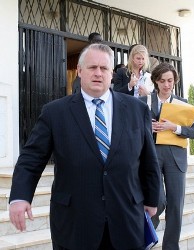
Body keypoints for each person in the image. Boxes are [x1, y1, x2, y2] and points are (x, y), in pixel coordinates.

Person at [9, 43, 161, 250]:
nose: (98, 73)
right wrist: (19, 196)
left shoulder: (137, 110)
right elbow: (31, 159)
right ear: (79, 71)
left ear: (112, 74)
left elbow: (148, 160)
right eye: (92, 67)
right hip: (75, 223)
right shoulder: (55, 113)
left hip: (126, 219)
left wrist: (153, 200)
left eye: (104, 68)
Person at [139, 62, 194, 250]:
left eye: (170, 81)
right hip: (152, 155)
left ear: (175, 81)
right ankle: (145, 237)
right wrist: (148, 127)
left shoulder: (183, 104)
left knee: (175, 205)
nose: (167, 85)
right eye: (163, 81)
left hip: (176, 157)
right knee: (157, 201)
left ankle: (171, 247)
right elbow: (133, 128)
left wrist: (174, 127)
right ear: (156, 81)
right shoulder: (144, 101)